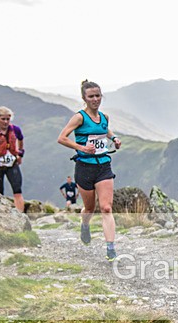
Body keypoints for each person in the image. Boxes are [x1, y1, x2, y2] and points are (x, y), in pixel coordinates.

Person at [57, 80, 122, 261]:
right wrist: (81, 148)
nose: (95, 99)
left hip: (103, 166)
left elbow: (104, 130)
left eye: (98, 95)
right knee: (89, 207)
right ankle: (85, 225)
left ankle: (110, 248)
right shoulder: (79, 117)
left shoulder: (104, 117)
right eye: (91, 96)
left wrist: (114, 138)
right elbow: (61, 138)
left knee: (106, 208)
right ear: (84, 98)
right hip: (84, 167)